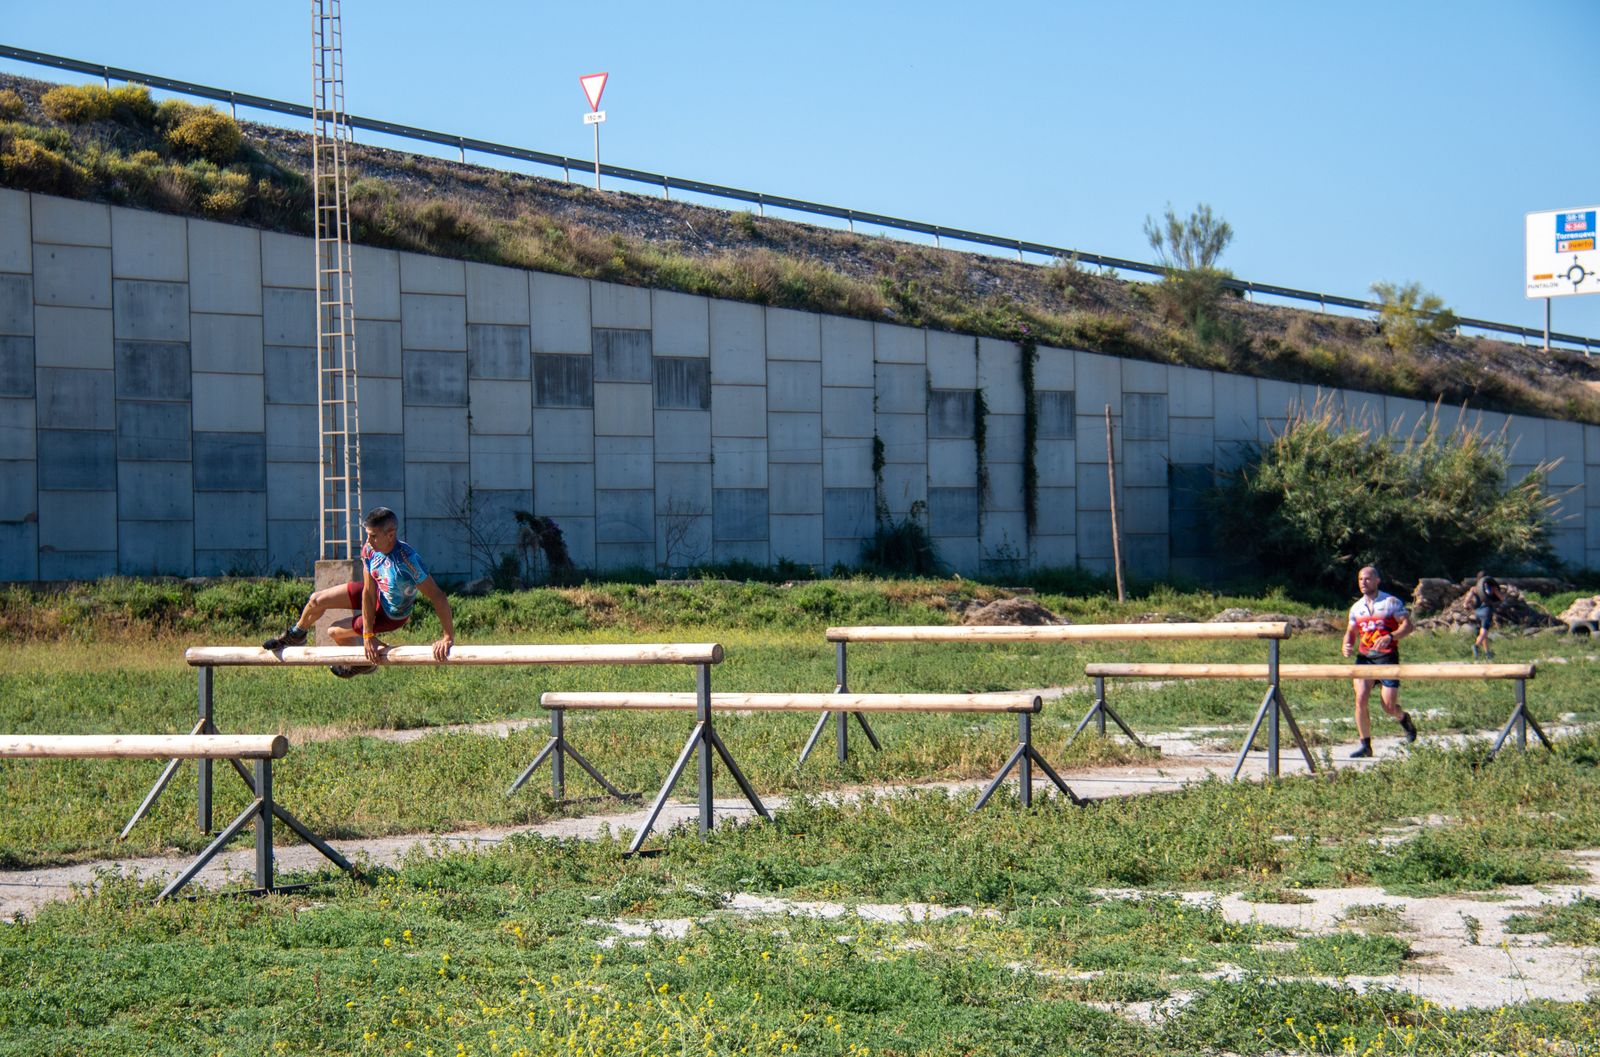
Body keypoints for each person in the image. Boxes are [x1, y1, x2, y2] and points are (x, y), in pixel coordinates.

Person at [262, 507, 455, 677]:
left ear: (390, 534)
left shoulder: (407, 560)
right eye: (367, 534)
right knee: (316, 600)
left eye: (373, 535)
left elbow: (438, 596)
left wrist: (447, 637)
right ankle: (297, 635)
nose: (368, 541)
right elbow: (369, 592)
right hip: (377, 594)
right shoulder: (370, 550)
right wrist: (367, 635)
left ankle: (364, 664)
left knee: (334, 631)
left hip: (391, 614)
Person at [1341, 564, 1418, 758]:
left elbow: (1408, 627)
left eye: (1367, 579)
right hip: (1365, 658)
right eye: (1360, 579)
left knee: (1388, 707)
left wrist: (1391, 636)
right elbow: (1351, 632)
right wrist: (1347, 645)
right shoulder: (1356, 608)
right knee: (1360, 699)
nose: (1363, 583)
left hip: (1387, 657)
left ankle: (1404, 718)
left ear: (1377, 580)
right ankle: (1365, 745)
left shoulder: (1391, 602)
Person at [1469, 572, 1504, 660]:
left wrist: (1466, 605)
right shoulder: (1492, 587)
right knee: (1484, 631)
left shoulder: (1474, 588)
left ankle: (1487, 653)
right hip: (1486, 611)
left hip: (1477, 612)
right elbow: (1502, 598)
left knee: (1484, 632)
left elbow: (1467, 600)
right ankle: (1476, 645)